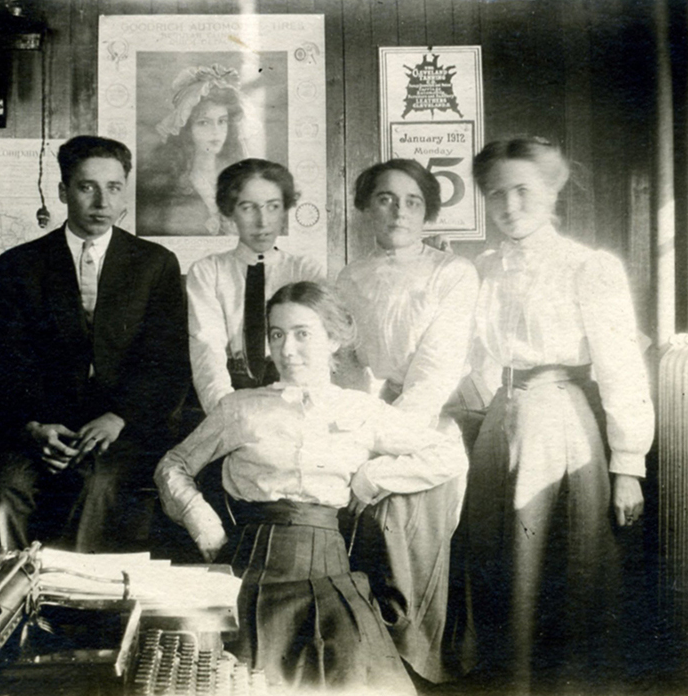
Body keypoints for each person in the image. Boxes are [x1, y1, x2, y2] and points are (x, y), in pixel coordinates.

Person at [154, 281, 468, 693]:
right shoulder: (239, 408)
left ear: (334, 339)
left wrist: (373, 478)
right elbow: (173, 465)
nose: (286, 350)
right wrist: (202, 521)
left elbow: (448, 454)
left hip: (330, 569)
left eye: (303, 334)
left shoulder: (361, 410)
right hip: (248, 569)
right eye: (277, 334)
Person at [465, 137, 654, 691]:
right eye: (496, 193)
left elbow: (620, 364)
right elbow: (473, 356)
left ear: (553, 191)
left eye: (523, 190)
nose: (510, 205)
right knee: (498, 563)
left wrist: (628, 465)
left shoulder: (587, 266)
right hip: (499, 423)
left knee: (557, 570)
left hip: (560, 419)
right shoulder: (482, 267)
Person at [0, 135, 191, 554]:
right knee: (8, 490)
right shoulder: (20, 264)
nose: (101, 202)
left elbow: (167, 363)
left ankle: (80, 607)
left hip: (121, 430)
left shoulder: (154, 263)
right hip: (43, 428)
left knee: (100, 487)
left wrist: (118, 417)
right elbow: (1, 361)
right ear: (63, 191)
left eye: (113, 187)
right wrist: (33, 426)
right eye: (86, 186)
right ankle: (16, 601)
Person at [335, 159, 479, 685]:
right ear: (366, 208)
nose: (398, 211)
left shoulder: (451, 273)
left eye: (412, 201)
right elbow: (348, 366)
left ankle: (418, 673)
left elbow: (434, 374)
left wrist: (381, 447)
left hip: (429, 425)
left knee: (409, 554)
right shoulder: (349, 277)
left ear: (429, 213)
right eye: (385, 199)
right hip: (369, 425)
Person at [187, 158, 323, 415]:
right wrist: (225, 414)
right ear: (229, 212)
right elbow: (207, 347)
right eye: (248, 208)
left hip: (295, 393)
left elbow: (316, 351)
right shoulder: (208, 272)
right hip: (228, 394)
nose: (262, 222)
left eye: (273, 207)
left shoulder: (305, 270)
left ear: (285, 209)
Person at [137, 64, 250, 237]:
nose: (216, 131)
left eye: (222, 121)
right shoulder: (176, 180)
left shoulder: (239, 175)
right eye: (204, 122)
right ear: (188, 129)